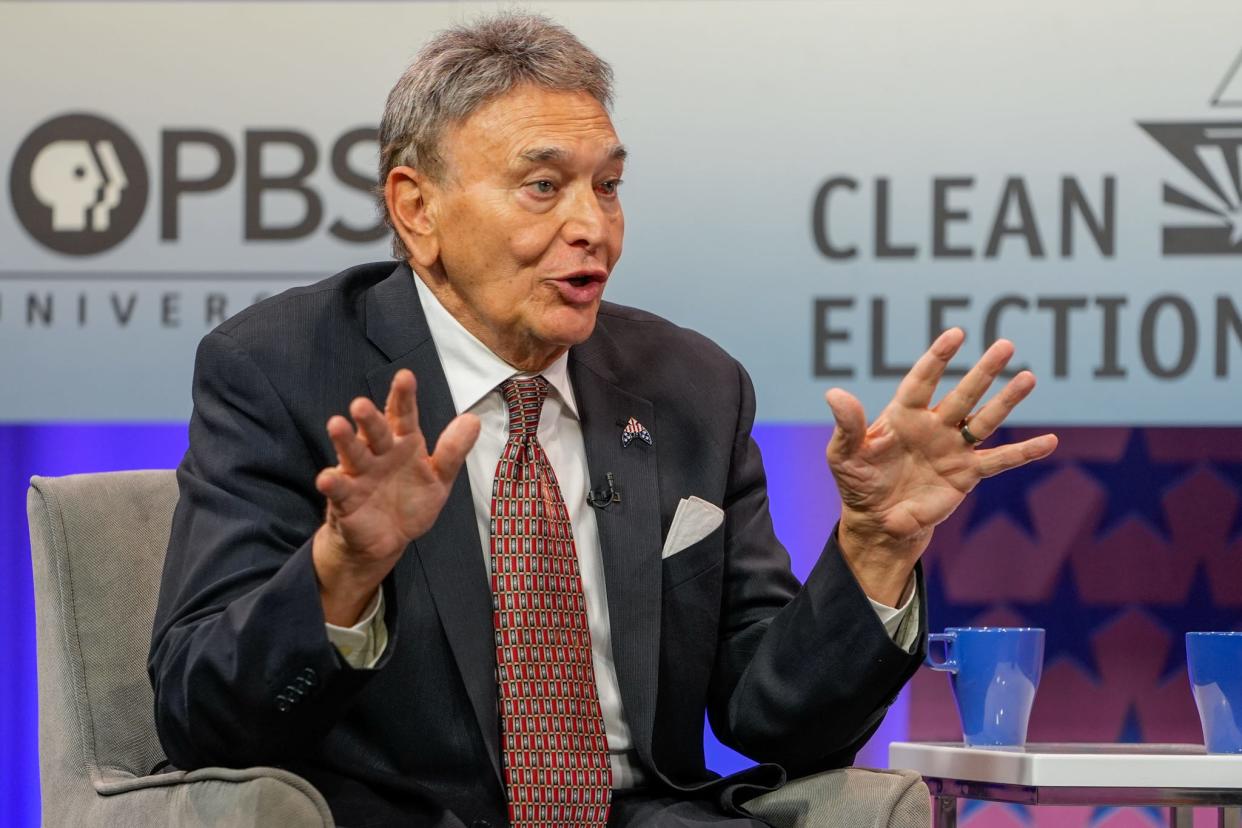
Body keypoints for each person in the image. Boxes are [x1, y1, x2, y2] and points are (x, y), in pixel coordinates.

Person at [148, 12, 1056, 828]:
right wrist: (342, 573)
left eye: (609, 186)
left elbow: (774, 719)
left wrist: (876, 550)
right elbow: (199, 713)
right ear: (416, 209)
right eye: (544, 187)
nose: (595, 227)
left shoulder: (693, 386)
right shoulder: (281, 370)